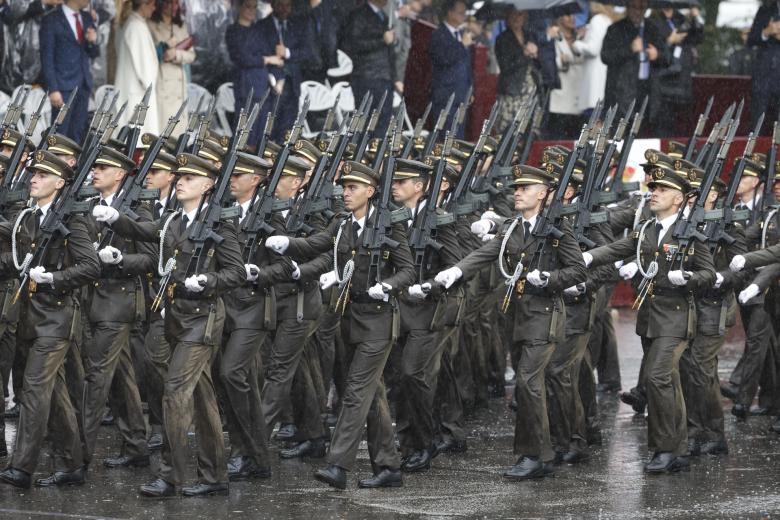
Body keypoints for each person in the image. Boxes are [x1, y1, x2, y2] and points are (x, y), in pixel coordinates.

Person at [93, 153, 245, 497]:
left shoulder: (221, 224)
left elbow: (235, 273)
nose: (180, 181)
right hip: (178, 316)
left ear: (207, 186)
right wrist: (116, 218)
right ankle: (215, 475)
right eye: (179, 177)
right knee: (204, 397)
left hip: (203, 318)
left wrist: (208, 279)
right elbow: (147, 231)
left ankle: (171, 475)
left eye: (189, 178)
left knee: (175, 394)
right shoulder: (175, 220)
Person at [265, 160, 416, 490]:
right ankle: (388, 466)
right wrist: (287, 244)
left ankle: (338, 465)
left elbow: (408, 270)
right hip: (351, 318)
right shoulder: (342, 224)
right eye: (345, 187)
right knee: (372, 394)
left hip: (379, 321)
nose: (346, 193)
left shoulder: (390, 226)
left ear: (371, 192)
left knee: (356, 392)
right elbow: (318, 245)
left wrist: (388, 286)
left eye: (353, 188)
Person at [435, 164, 587, 480]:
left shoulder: (558, 228)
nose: (517, 192)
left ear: (544, 193)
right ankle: (545, 450)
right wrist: (458, 270)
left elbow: (577, 270)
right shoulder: (515, 226)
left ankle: (533, 455)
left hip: (545, 316)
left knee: (527, 382)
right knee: (530, 384)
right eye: (516, 188)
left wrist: (549, 278)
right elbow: (490, 251)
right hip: (517, 315)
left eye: (525, 188)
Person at [583, 164, 715, 473]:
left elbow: (709, 273)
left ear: (680, 199)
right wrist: (589, 256)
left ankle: (664, 449)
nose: (654, 193)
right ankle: (679, 447)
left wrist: (690, 277)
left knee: (656, 377)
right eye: (653, 189)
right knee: (668, 380)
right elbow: (620, 247)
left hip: (677, 318)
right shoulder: (647, 229)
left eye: (662, 190)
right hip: (651, 318)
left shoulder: (689, 232)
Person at [0, 151, 100, 489]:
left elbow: (90, 267)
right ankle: (73, 464)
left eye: (42, 175)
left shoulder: (72, 221)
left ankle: (22, 468)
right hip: (30, 315)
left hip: (57, 318)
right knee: (55, 394)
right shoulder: (29, 217)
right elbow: (15, 259)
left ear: (60, 183)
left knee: (34, 389)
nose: (34, 179)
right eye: (34, 173)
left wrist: (54, 278)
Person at [225, 0, 285, 151]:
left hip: (264, 86)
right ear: (239, 8)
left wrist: (278, 79)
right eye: (247, 6)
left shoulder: (259, 31)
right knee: (245, 131)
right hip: (246, 87)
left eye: (254, 7)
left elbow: (273, 56)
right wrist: (267, 59)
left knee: (263, 132)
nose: (251, 10)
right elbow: (242, 57)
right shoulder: (233, 31)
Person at [39, 0, 100, 143]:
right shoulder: (51, 19)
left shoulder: (87, 17)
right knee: (60, 134)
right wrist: (53, 88)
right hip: (62, 87)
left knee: (77, 133)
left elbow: (93, 53)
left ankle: (73, 164)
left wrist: (92, 41)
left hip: (83, 84)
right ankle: (56, 163)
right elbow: (46, 57)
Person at [601, 0, 668, 120]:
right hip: (621, 94)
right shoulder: (615, 29)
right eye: (634, 7)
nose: (638, 11)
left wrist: (657, 55)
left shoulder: (653, 29)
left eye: (642, 7)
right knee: (621, 134)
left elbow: (668, 58)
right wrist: (629, 49)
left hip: (648, 93)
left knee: (645, 135)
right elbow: (606, 56)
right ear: (627, 7)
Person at [256, 0, 311, 143]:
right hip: (271, 85)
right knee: (269, 128)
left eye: (288, 5)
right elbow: (257, 55)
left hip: (292, 84)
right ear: (273, 5)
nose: (285, 9)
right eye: (281, 5)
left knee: (288, 131)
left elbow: (307, 52)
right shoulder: (261, 26)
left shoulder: (296, 25)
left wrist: (287, 53)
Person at [341, 0, 398, 136]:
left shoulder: (383, 16)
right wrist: (381, 41)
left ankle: (376, 153)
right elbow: (353, 45)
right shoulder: (359, 15)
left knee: (383, 123)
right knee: (365, 123)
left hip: (384, 77)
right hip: (367, 76)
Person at [649, 5, 704, 137]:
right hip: (663, 81)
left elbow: (698, 38)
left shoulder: (681, 18)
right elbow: (652, 51)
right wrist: (669, 41)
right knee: (663, 125)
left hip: (681, 81)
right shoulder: (653, 20)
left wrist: (696, 17)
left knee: (680, 126)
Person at [148, 0, 196, 137]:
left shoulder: (181, 27)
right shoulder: (151, 26)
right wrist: (163, 50)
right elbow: (148, 54)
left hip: (179, 86)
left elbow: (192, 55)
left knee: (179, 131)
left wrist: (176, 55)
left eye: (175, 3)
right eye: (169, 3)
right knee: (164, 130)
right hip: (162, 84)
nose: (172, 7)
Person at [114, 0, 160, 134]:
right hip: (138, 93)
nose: (154, 8)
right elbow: (145, 68)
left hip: (132, 90)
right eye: (152, 4)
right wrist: (150, 86)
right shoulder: (136, 26)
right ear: (144, 4)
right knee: (136, 139)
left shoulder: (129, 23)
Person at [429, 0, 473, 138]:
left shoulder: (462, 34)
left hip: (461, 95)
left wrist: (470, 88)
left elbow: (467, 65)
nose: (464, 16)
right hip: (445, 96)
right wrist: (462, 45)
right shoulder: (438, 34)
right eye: (460, 13)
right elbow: (444, 59)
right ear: (450, 13)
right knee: (445, 138)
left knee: (458, 139)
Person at [493, 8, 539, 135]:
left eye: (520, 15)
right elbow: (505, 66)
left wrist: (536, 53)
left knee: (530, 129)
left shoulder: (530, 35)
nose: (516, 18)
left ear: (525, 16)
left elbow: (540, 64)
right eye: (512, 15)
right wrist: (523, 54)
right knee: (509, 130)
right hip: (512, 90)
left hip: (530, 89)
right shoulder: (502, 39)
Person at [572, 2, 619, 118]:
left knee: (593, 123)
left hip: (594, 82)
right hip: (603, 79)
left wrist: (577, 44)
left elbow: (593, 49)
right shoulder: (609, 20)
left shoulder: (597, 20)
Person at [547, 14, 586, 139]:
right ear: (559, 18)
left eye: (573, 14)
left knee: (576, 138)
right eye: (567, 15)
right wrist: (560, 60)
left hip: (579, 93)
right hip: (561, 95)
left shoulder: (581, 36)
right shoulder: (553, 36)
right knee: (559, 137)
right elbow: (547, 60)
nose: (572, 18)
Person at [747, 0, 780, 133]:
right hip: (763, 79)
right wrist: (766, 32)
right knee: (757, 125)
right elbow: (751, 39)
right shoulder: (765, 10)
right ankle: (753, 153)